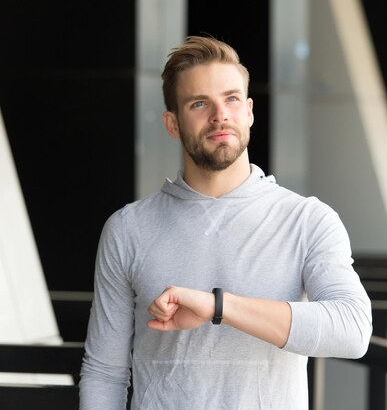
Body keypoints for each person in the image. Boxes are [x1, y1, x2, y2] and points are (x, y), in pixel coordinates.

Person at [79, 35, 372, 410]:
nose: (220, 115)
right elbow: (105, 373)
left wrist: (218, 307)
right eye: (199, 103)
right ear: (172, 123)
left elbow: (351, 329)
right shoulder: (128, 229)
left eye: (231, 99)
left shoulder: (307, 220)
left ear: (249, 111)